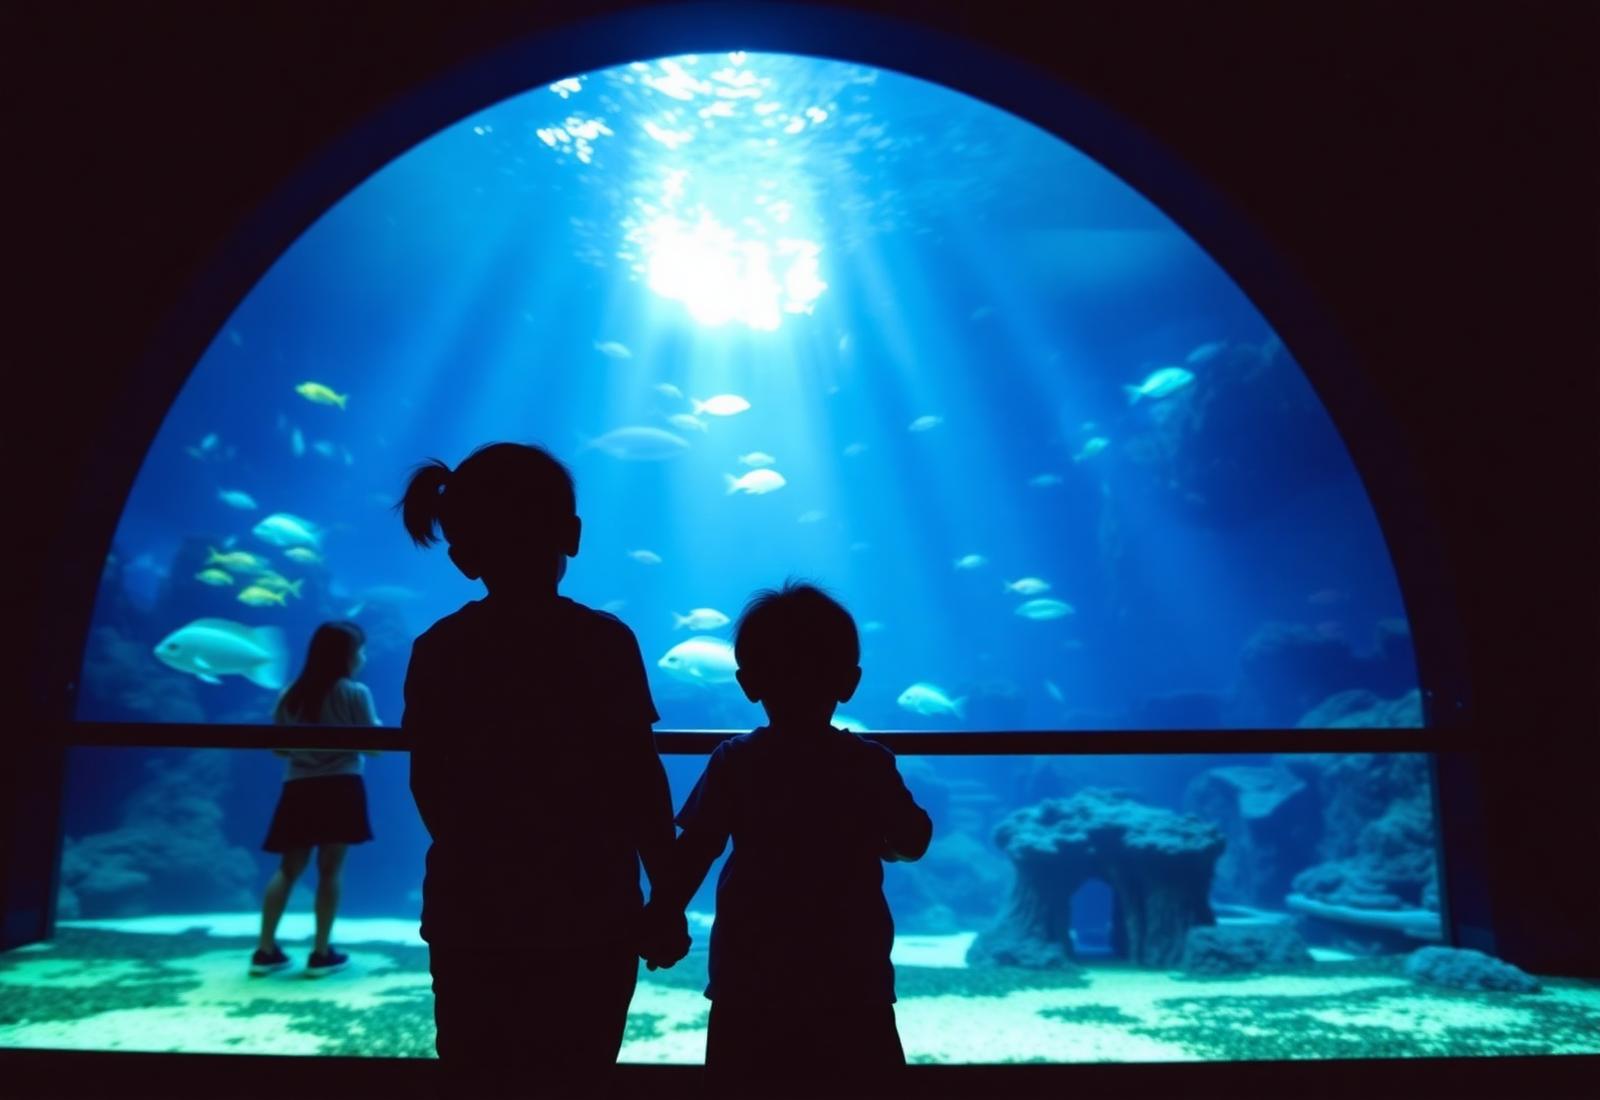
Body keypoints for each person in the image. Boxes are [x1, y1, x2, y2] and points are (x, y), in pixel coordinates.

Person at [397, 442, 687, 1097]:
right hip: (593, 913)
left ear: (463, 554)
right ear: (573, 535)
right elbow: (641, 781)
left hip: (473, 915)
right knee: (580, 1071)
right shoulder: (605, 643)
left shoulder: (440, 649)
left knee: (478, 1071)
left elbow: (429, 784)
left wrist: (482, 851)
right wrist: (664, 900)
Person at [648, 580, 933, 1097]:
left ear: (748, 683)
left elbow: (696, 848)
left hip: (750, 975)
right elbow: (912, 840)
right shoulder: (868, 763)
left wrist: (664, 912)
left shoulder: (735, 761)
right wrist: (885, 839)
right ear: (849, 682)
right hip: (851, 975)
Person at [251, 620, 380, 978]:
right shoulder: (355, 693)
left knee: (288, 869)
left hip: (300, 787)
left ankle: (265, 951)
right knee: (330, 870)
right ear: (347, 655)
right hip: (341, 785)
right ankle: (321, 953)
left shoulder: (290, 693)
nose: (363, 657)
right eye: (361, 650)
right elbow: (374, 744)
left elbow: (279, 748)